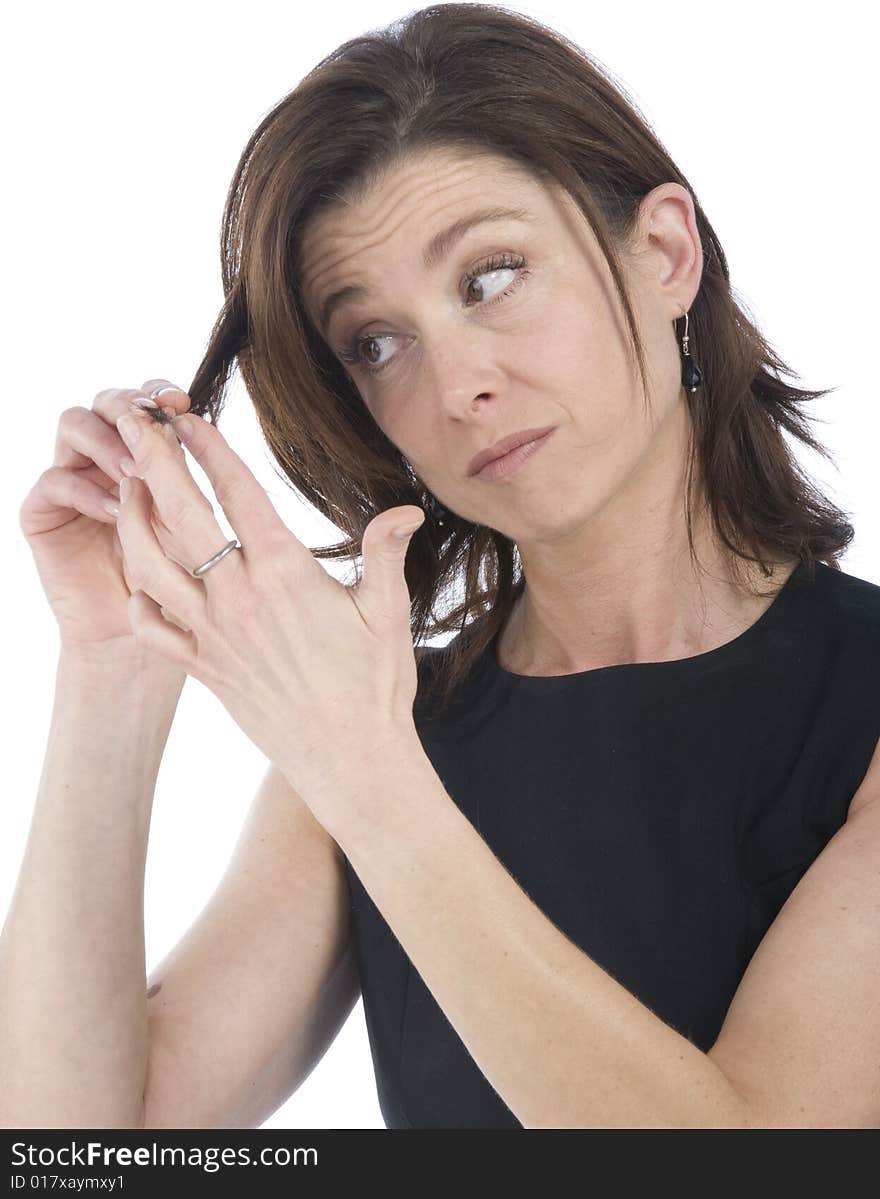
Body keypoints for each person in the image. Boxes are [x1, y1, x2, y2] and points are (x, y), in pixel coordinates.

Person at [5, 3, 880, 1130]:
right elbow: (77, 1151)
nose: (457, 381)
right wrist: (112, 667)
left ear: (662, 252)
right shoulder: (388, 725)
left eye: (491, 275)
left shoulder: (368, 749)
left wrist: (364, 774)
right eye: (375, 341)